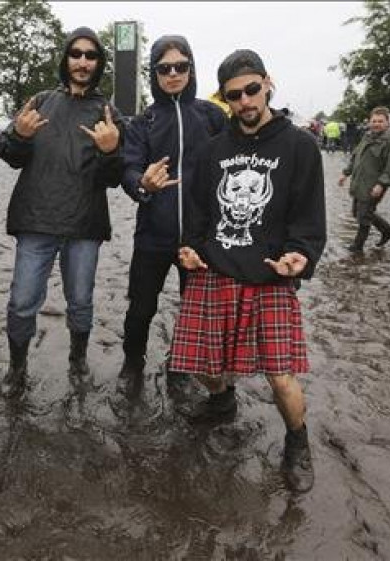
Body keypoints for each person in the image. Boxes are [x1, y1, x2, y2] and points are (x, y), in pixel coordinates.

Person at [168, 49, 326, 492]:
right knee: (198, 361)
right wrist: (189, 248)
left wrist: (301, 255)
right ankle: (222, 401)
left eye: (252, 90)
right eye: (234, 95)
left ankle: (298, 442)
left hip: (270, 273)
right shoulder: (212, 150)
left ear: (267, 83)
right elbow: (197, 214)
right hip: (215, 269)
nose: (245, 102)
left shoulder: (300, 146)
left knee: (281, 375)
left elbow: (309, 219)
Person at [0, 27, 124, 398]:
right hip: (35, 220)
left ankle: (78, 359)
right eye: (76, 54)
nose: (83, 61)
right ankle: (16, 367)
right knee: (22, 302)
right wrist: (18, 136)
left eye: (91, 56)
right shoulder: (39, 101)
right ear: (65, 59)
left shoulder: (108, 112)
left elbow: (113, 178)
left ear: (99, 64)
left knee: (81, 300)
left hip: (84, 224)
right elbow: (10, 156)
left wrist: (110, 151)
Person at [117, 35, 226, 397]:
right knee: (141, 308)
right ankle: (133, 362)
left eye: (181, 66)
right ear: (154, 74)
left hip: (199, 239)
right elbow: (128, 169)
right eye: (165, 68)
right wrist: (143, 184)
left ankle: (180, 363)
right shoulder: (144, 121)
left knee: (193, 310)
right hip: (152, 234)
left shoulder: (211, 115)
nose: (174, 74)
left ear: (191, 68)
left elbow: (238, 156)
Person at [337, 106, 390, 252]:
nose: (376, 124)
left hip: (374, 185)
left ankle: (357, 246)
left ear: (387, 123)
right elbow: (355, 156)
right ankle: (387, 231)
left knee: (364, 215)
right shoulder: (367, 136)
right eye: (374, 121)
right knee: (358, 212)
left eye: (380, 121)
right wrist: (345, 173)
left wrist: (381, 184)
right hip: (359, 183)